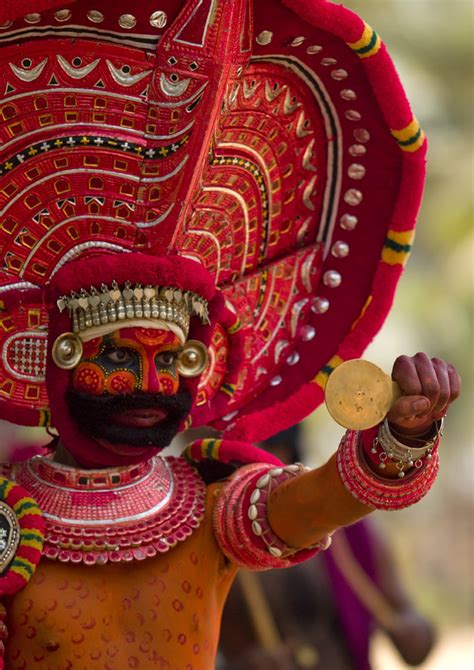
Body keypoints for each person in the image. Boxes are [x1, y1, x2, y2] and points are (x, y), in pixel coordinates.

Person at [0, 1, 461, 669]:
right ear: (57, 359)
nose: (155, 388)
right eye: (121, 358)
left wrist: (403, 437)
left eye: (177, 360)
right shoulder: (12, 519)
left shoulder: (209, 507)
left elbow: (321, 501)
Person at [219, 427, 437, 669]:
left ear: (288, 457)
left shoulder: (351, 533)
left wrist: (411, 631)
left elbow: (413, 636)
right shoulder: (216, 538)